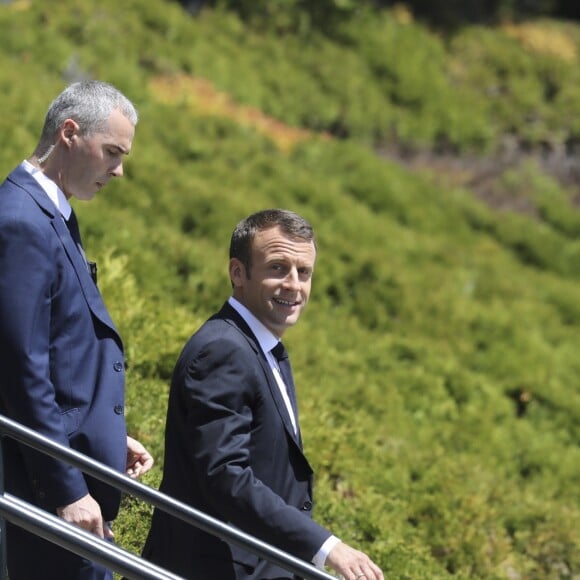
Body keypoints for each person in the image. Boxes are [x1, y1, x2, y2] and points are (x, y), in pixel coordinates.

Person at [142, 209, 383, 580]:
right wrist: (327, 547)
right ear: (238, 273)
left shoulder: (263, 347)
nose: (294, 285)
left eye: (304, 273)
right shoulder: (225, 351)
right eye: (277, 268)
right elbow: (225, 475)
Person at [0, 80, 154, 580]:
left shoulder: (51, 211)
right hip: (42, 493)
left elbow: (60, 351)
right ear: (69, 133)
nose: (120, 170)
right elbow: (20, 367)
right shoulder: (22, 220)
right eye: (112, 152)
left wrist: (104, 429)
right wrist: (65, 486)